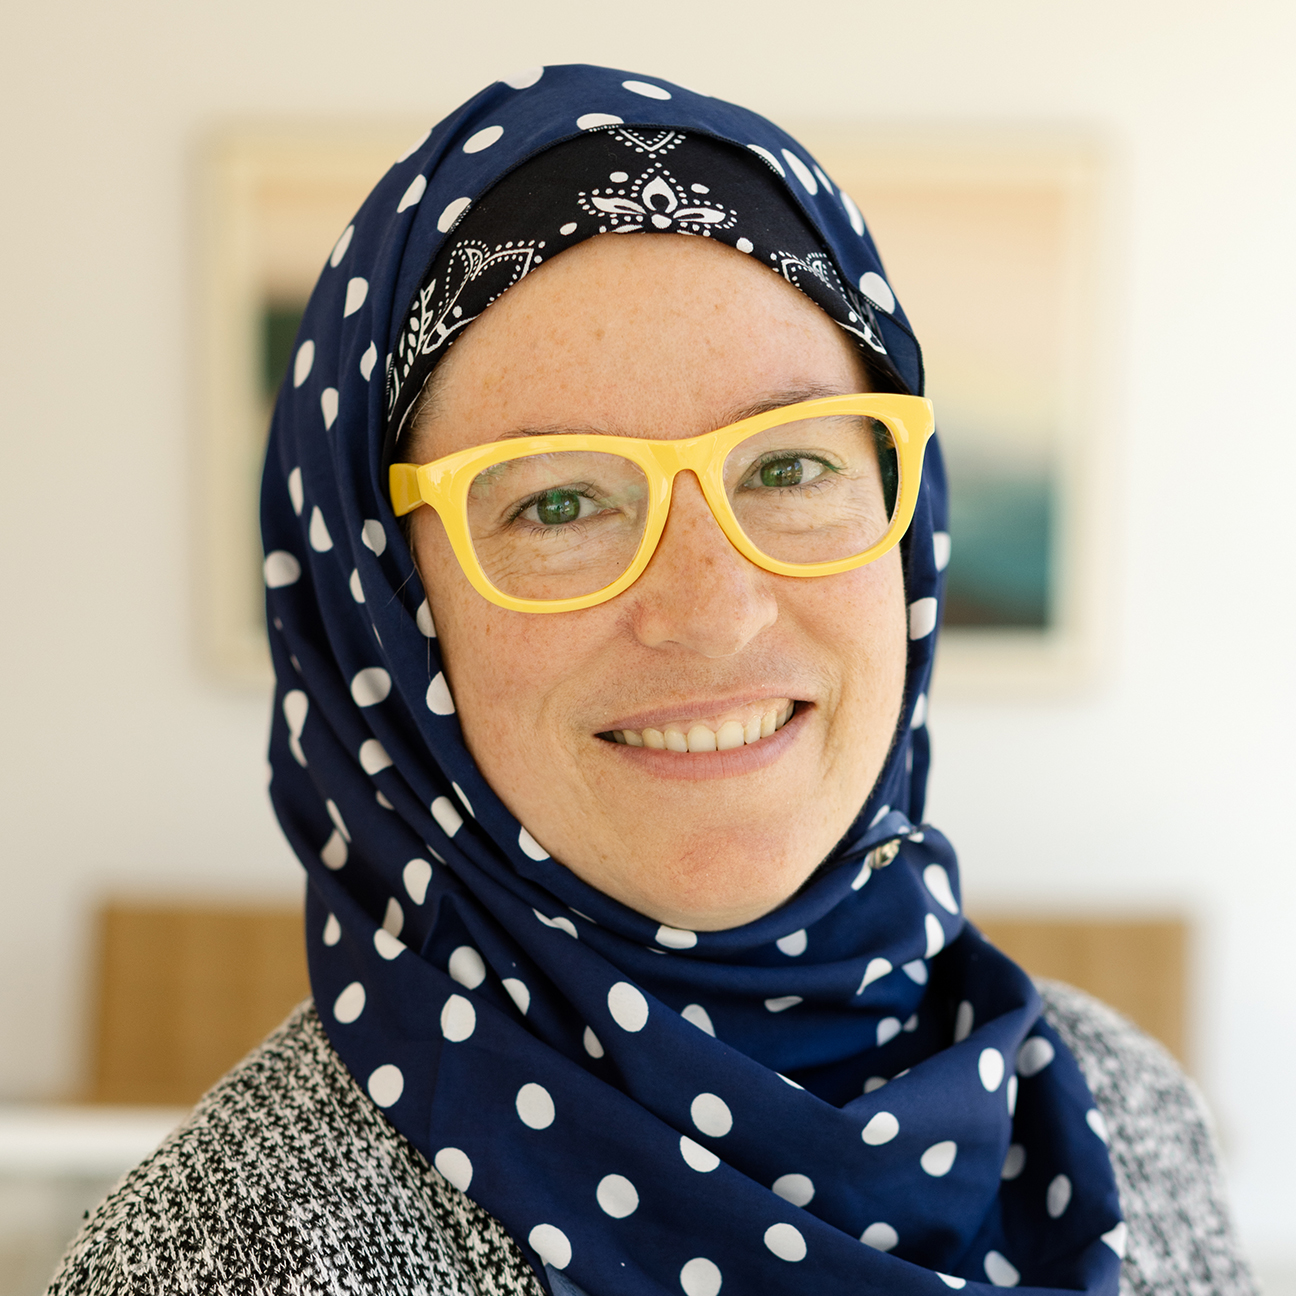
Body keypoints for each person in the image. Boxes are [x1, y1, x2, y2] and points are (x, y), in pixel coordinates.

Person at [50, 65, 1255, 1296]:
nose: (713, 613)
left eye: (789, 469)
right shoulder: (236, 1259)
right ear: (388, 623)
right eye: (558, 501)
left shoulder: (1125, 1113)